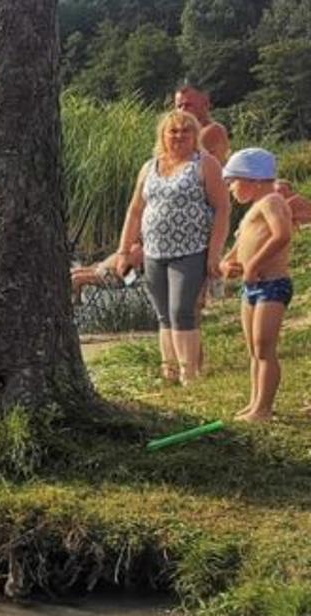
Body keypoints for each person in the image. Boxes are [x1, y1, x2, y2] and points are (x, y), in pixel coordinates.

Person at [117, 110, 230, 385]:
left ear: (195, 136)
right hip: (154, 252)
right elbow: (135, 211)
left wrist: (214, 252)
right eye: (173, 131)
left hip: (190, 250)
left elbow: (223, 208)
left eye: (185, 131)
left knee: (182, 311)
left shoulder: (205, 164)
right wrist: (123, 251)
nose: (179, 136)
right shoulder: (149, 167)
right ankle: (168, 371)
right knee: (163, 314)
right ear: (163, 136)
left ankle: (188, 374)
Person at [219, 149, 295, 422]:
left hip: (272, 285)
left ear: (254, 179)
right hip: (251, 288)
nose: (230, 189)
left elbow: (282, 234)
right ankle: (254, 403)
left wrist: (253, 265)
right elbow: (235, 251)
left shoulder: (272, 200)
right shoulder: (252, 211)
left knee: (265, 348)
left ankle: (264, 408)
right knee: (254, 350)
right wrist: (227, 264)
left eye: (233, 182)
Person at [175, 83, 231, 166]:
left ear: (206, 104)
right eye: (179, 106)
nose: (183, 110)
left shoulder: (213, 130)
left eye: (188, 105)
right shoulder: (185, 134)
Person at [70, 241, 144, 300]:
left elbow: (129, 272)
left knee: (77, 278)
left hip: (110, 275)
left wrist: (117, 275)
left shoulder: (139, 250)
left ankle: (75, 304)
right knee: (74, 271)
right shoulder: (135, 245)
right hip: (104, 268)